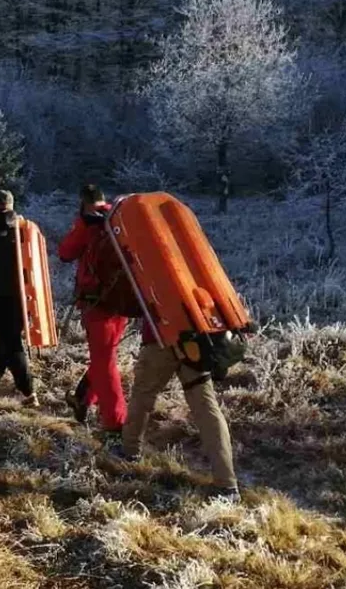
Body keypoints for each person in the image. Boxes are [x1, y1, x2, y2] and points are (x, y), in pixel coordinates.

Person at [121, 337, 241, 500]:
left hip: (160, 340)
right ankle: (227, 484)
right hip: (195, 343)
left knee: (143, 395)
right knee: (207, 407)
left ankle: (130, 454)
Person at [58, 184, 127, 445]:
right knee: (105, 355)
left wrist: (80, 225)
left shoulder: (89, 224)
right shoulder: (120, 218)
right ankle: (83, 398)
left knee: (104, 362)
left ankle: (115, 424)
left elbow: (65, 252)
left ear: (84, 202)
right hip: (122, 301)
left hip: (97, 302)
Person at [0, 190, 38, 406]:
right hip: (24, 293)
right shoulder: (24, 227)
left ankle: (28, 392)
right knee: (9, 338)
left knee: (11, 343)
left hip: (1, 293)